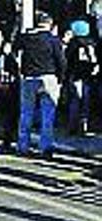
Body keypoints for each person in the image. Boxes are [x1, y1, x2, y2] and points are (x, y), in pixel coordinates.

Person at [14, 12, 65, 157]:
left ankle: (23, 145)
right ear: (49, 24)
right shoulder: (53, 40)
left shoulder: (26, 38)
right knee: (47, 114)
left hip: (29, 77)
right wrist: (60, 79)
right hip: (49, 77)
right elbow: (61, 61)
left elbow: (15, 49)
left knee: (26, 112)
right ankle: (45, 147)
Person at [65, 20, 98, 135]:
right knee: (85, 101)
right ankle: (84, 125)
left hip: (74, 75)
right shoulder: (92, 43)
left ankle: (72, 126)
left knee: (74, 101)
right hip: (87, 75)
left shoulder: (73, 43)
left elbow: (67, 59)